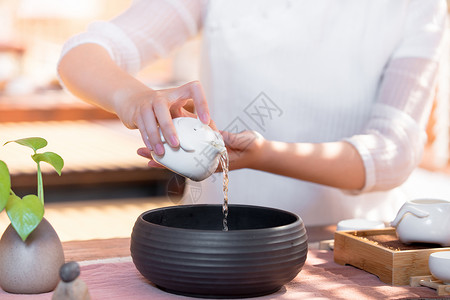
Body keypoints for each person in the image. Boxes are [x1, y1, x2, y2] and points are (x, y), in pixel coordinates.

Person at [58, 0, 448, 226]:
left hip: (345, 250)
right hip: (213, 241)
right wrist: (136, 99)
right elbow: (82, 53)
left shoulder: (416, 7)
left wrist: (263, 155)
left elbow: (393, 152)